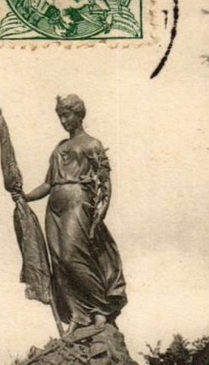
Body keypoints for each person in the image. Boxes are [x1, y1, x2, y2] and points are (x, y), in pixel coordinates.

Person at [17, 95, 127, 335]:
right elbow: (47, 184)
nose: (64, 120)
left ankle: (100, 309)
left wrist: (101, 212)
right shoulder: (58, 148)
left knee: (72, 256)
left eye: (67, 115)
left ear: (80, 115)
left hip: (78, 200)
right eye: (60, 116)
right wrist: (25, 197)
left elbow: (105, 183)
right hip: (55, 205)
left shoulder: (92, 144)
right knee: (58, 262)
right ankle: (78, 315)